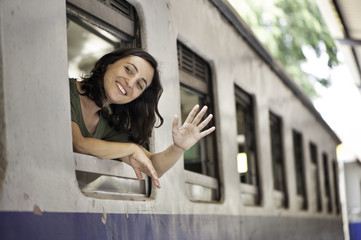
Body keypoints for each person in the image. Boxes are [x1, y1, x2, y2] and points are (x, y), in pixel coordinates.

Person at [70, 48, 215, 189]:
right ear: (109, 63)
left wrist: (178, 148)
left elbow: (153, 166)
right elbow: (79, 143)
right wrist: (131, 148)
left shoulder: (107, 125)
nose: (131, 83)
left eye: (140, 84)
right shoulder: (67, 89)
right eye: (128, 70)